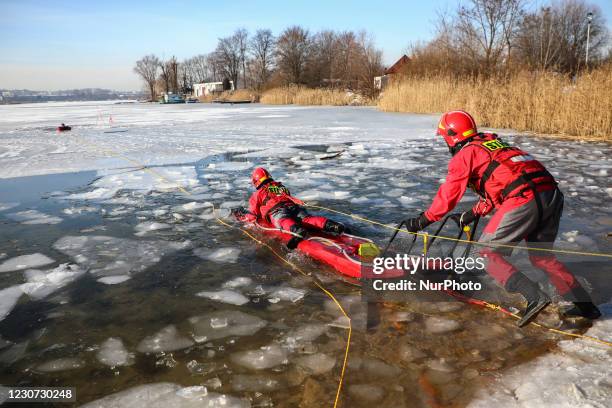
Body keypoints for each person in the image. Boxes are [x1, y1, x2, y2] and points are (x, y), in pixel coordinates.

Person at [404, 110, 601, 326]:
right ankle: (586, 307)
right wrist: (473, 213)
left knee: (486, 253)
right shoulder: (496, 146)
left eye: (444, 137)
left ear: (452, 136)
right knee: (542, 258)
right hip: (551, 196)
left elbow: (449, 195)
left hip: (524, 198)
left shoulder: (466, 154)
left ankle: (534, 296)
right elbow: (503, 185)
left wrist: (423, 220)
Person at [234, 167, 347, 249]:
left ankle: (297, 230)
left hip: (277, 211)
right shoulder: (280, 187)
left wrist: (242, 215)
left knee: (283, 220)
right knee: (307, 219)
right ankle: (333, 225)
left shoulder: (257, 194)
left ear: (256, 182)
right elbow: (287, 196)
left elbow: (253, 215)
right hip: (293, 206)